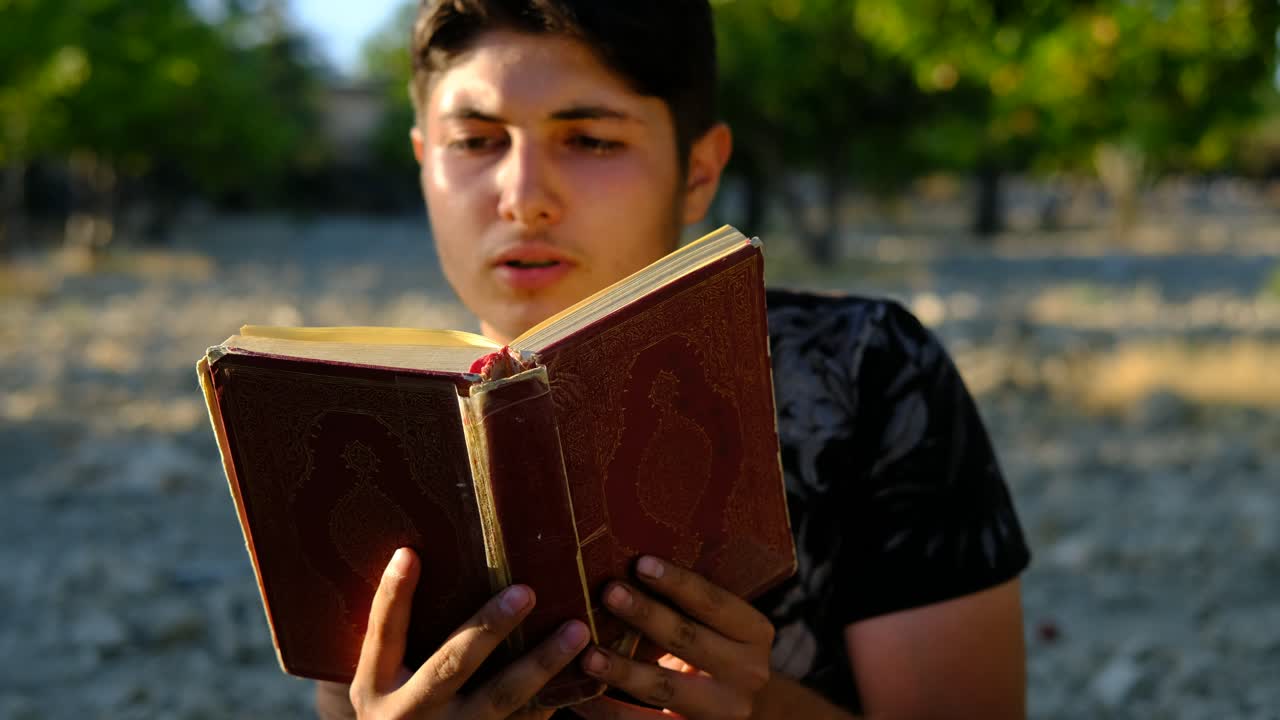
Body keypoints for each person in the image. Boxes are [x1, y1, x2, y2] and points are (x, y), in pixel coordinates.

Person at [316, 1, 1031, 718]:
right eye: (474, 142)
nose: (524, 199)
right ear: (423, 161)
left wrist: (755, 709)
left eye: (591, 140)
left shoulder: (866, 374)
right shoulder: (376, 428)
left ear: (699, 171)